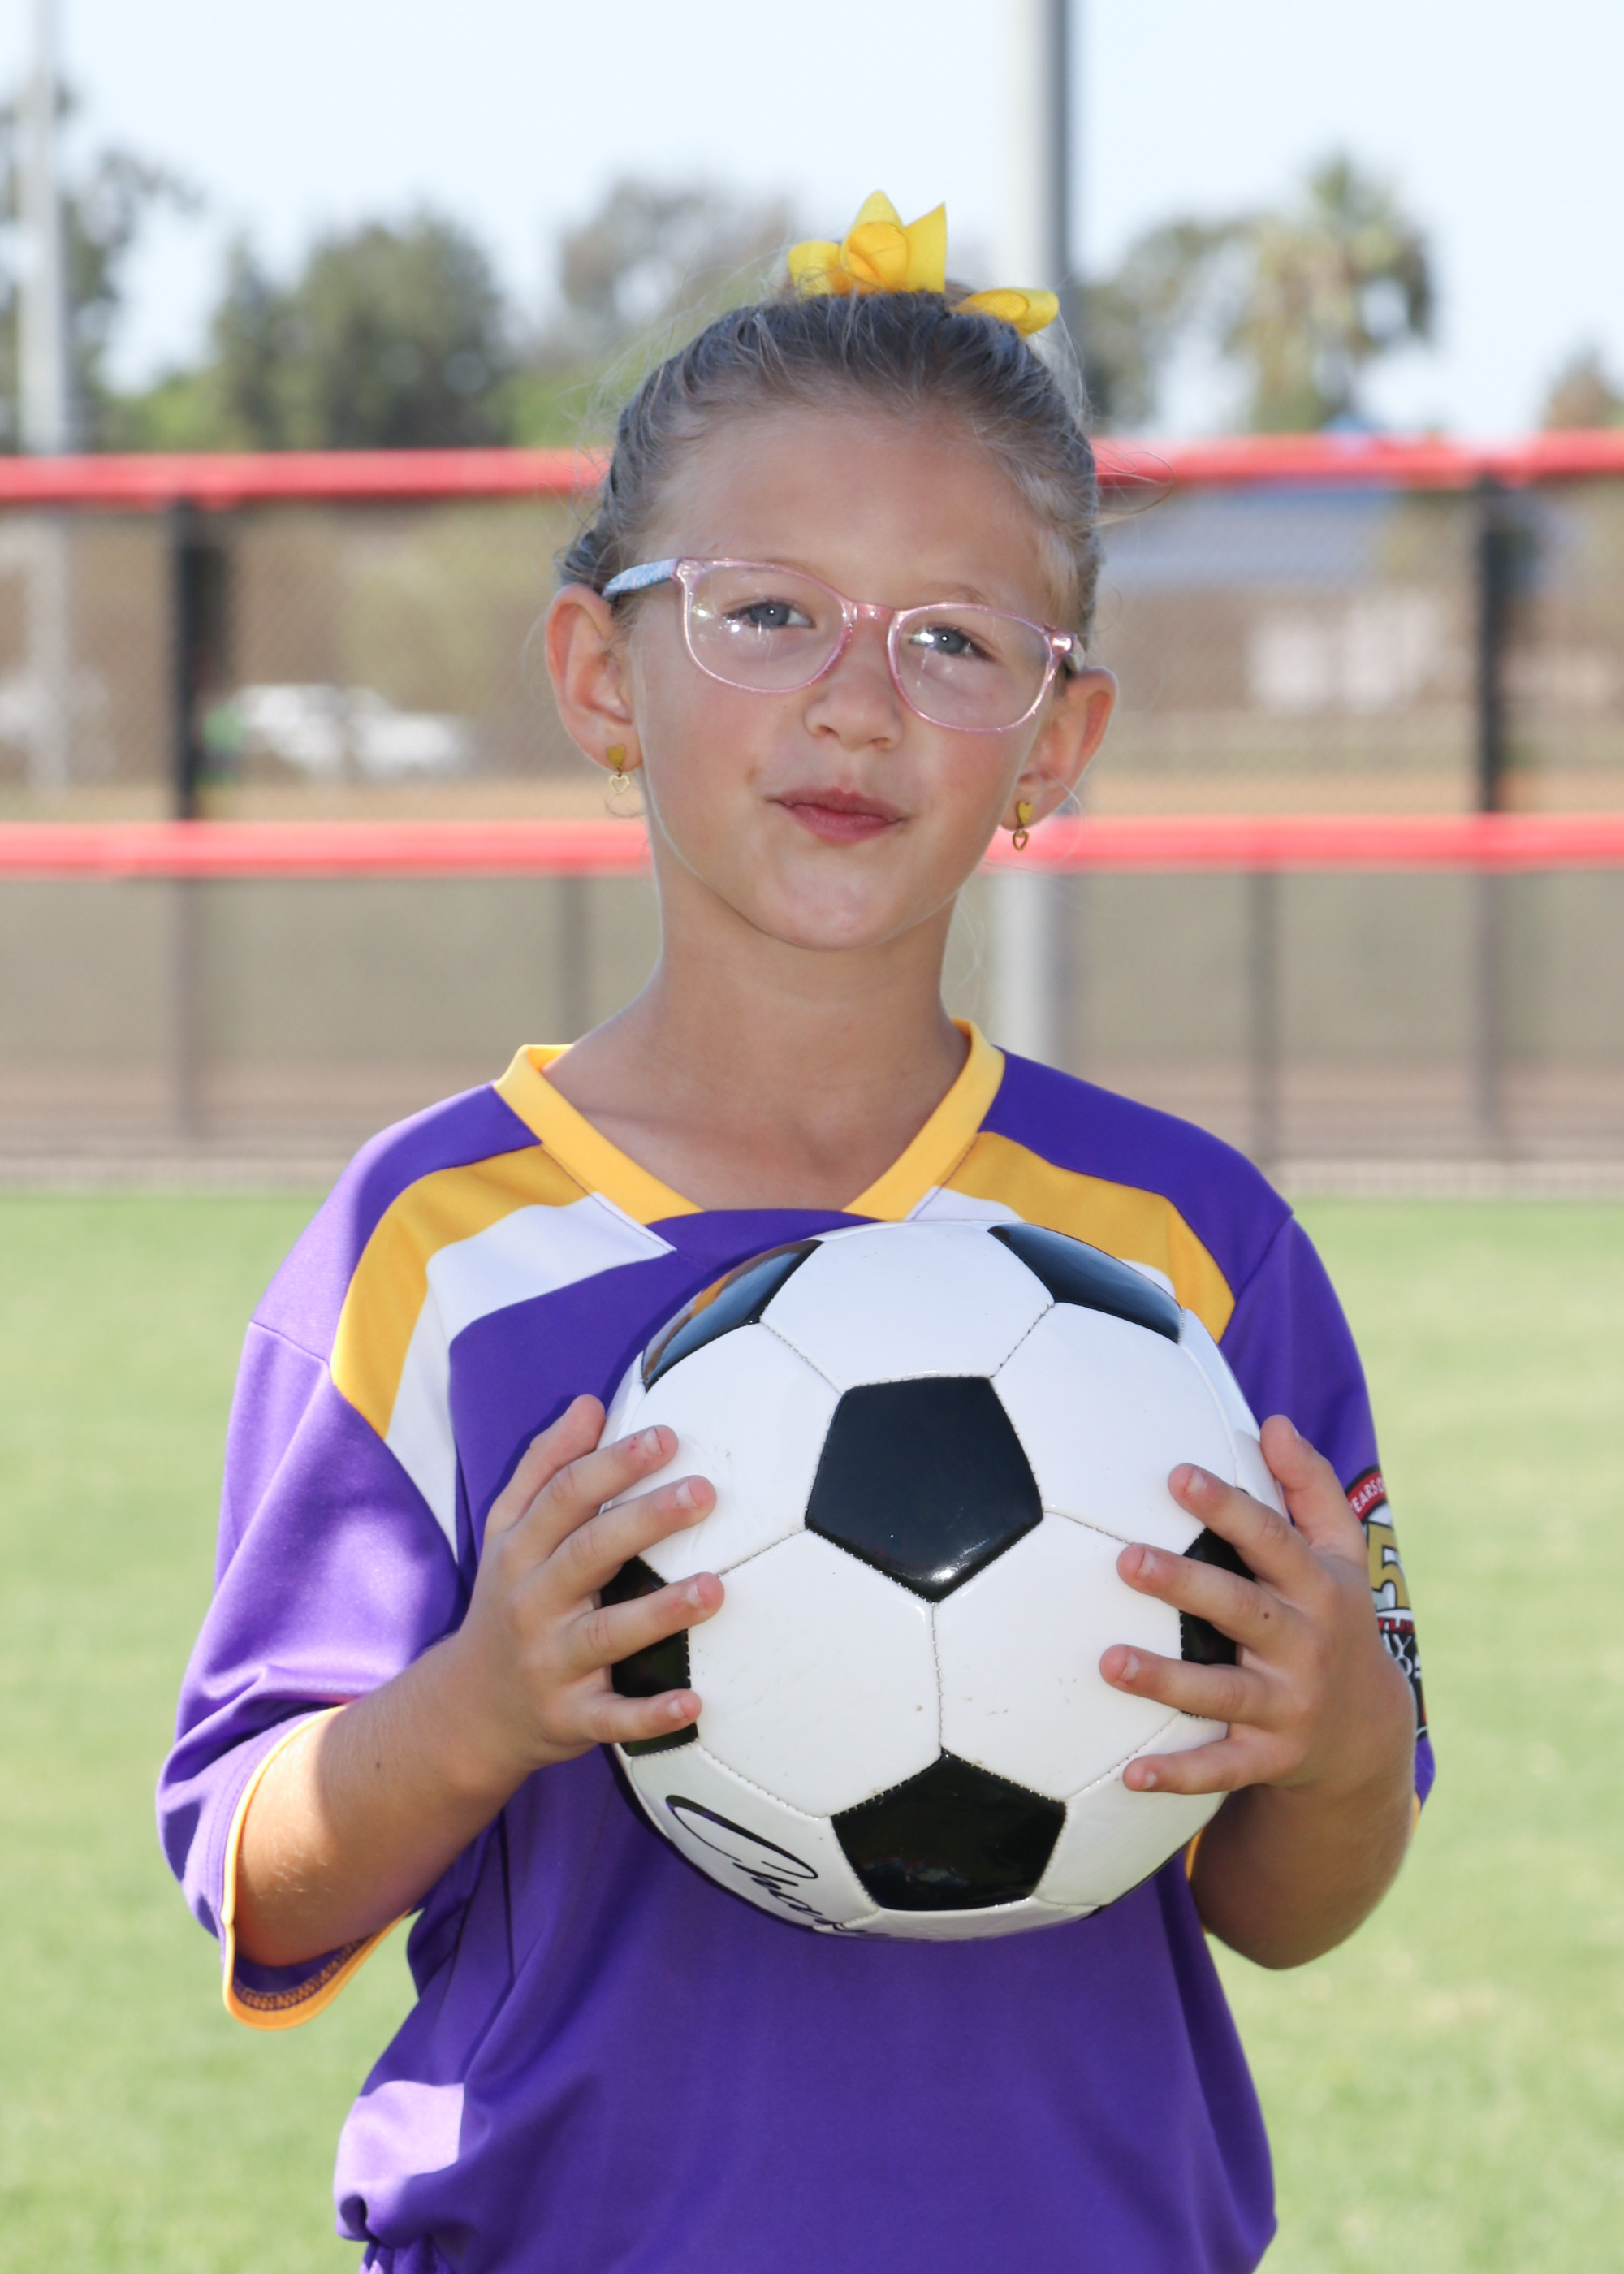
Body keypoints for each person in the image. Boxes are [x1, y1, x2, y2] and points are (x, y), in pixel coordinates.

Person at [160, 192, 1428, 2274]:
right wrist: (481, 1699)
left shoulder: (1191, 1253)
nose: (857, 701)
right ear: (600, 671)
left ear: (1054, 742)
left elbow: (1289, 1903)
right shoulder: (434, 1244)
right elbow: (256, 1871)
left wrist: (1344, 1733)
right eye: (765, 612)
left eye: (954, 642)